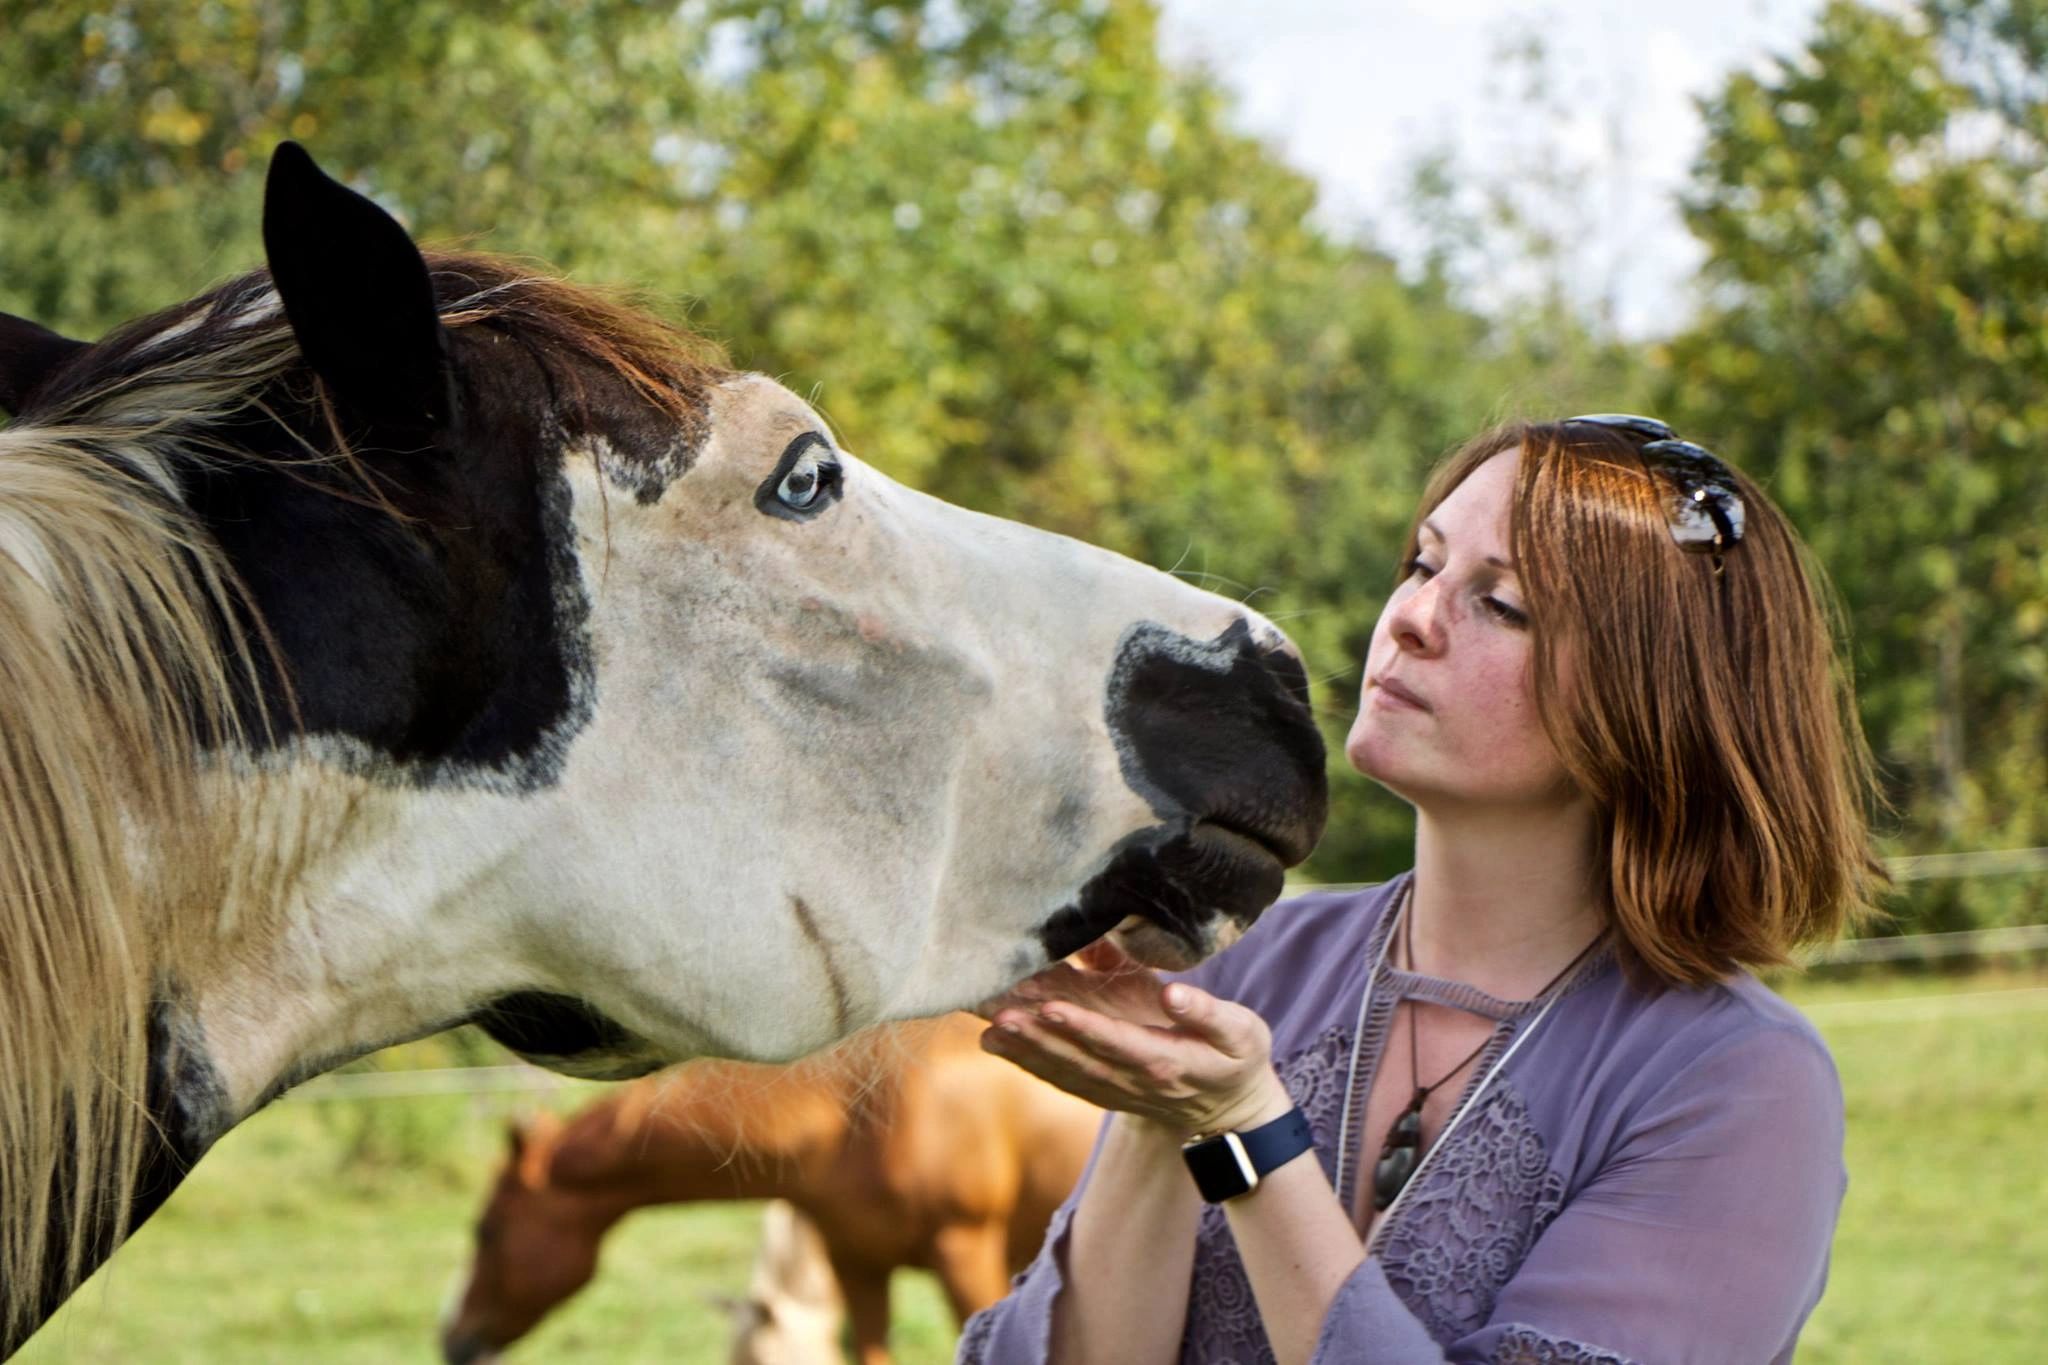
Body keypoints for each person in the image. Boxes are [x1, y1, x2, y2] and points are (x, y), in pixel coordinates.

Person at [957, 415, 1885, 1365]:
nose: (1409, 617)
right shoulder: (1247, 961)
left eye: (1503, 604)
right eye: (1423, 564)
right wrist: (1160, 1110)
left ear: (1654, 698)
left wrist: (1244, 1133)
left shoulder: (1736, 1081)